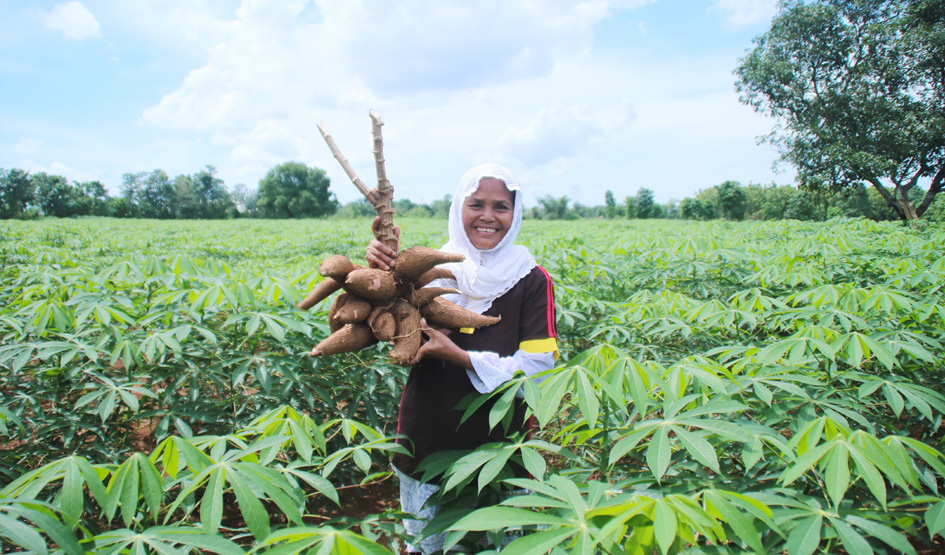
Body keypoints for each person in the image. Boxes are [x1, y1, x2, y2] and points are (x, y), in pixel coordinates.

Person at [366, 163, 559, 554]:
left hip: (499, 452)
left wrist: (461, 357)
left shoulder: (531, 280)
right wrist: (382, 272)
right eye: (477, 204)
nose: (488, 216)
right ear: (459, 208)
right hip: (426, 444)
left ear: (515, 213)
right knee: (429, 546)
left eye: (501, 206)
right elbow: (384, 332)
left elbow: (538, 374)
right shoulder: (432, 270)